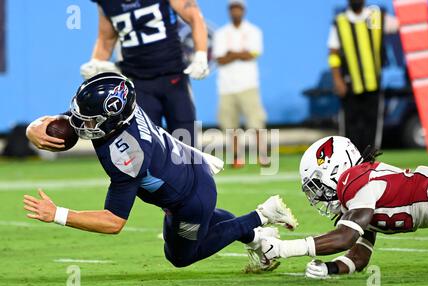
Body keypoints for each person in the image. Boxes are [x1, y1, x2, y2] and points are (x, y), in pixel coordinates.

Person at [23, 73, 298, 270]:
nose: (80, 123)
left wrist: (57, 214)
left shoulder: (126, 154)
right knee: (201, 223)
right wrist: (33, 128)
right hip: (188, 167)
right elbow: (81, 115)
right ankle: (259, 242)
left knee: (180, 256)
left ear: (111, 120)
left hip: (189, 199)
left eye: (90, 119)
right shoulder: (123, 106)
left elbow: (113, 222)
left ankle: (261, 215)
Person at [260, 136, 428, 278]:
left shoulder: (354, 181)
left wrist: (283, 248)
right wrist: (329, 268)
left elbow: (344, 238)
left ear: (336, 169)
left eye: (317, 185)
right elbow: (360, 257)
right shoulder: (361, 199)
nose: (317, 195)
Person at [79, 0, 211, 147]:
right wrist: (96, 62)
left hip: (173, 78)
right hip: (139, 83)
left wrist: (201, 54)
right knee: (148, 147)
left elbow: (195, 17)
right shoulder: (107, 3)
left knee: (185, 141)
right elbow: (106, 39)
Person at [328, 0, 398, 152]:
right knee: (350, 125)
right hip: (349, 83)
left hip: (373, 83)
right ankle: (351, 160)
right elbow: (333, 54)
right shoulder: (341, 22)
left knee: (371, 124)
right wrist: (337, 79)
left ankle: (369, 160)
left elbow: (399, 26)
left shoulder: (375, 17)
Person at [212, 0, 268, 168]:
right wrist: (240, 53)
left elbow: (252, 54)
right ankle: (237, 157)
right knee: (230, 126)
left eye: (238, 8)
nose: (235, 12)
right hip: (226, 86)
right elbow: (220, 59)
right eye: (232, 9)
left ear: (243, 10)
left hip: (248, 84)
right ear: (229, 11)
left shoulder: (254, 31)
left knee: (256, 123)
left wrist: (232, 54)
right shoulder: (221, 33)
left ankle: (263, 155)